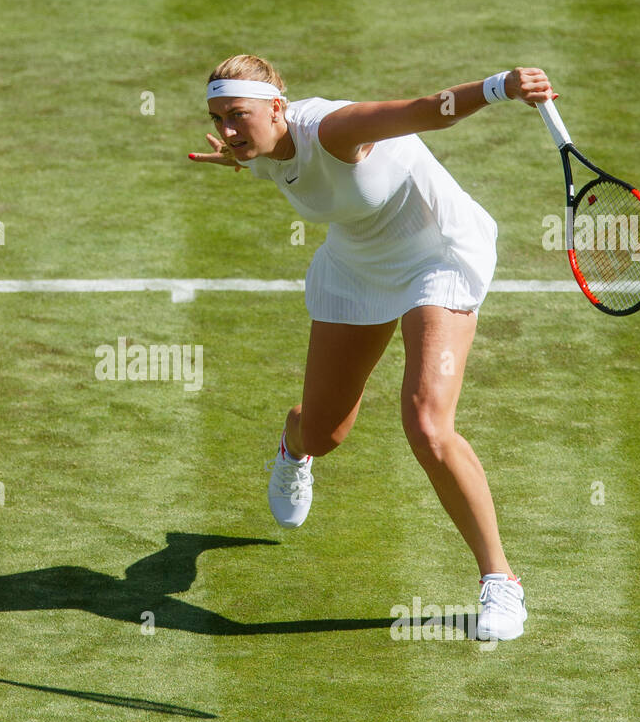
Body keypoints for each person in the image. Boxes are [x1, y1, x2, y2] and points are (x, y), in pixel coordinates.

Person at [187, 55, 556, 640]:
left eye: (238, 116)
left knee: (427, 423)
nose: (228, 130)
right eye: (218, 117)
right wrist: (239, 152)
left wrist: (499, 87)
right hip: (355, 269)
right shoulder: (256, 150)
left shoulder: (335, 130)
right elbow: (268, 161)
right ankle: (294, 443)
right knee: (324, 434)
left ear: (278, 108)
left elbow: (422, 112)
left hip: (437, 255)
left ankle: (501, 583)